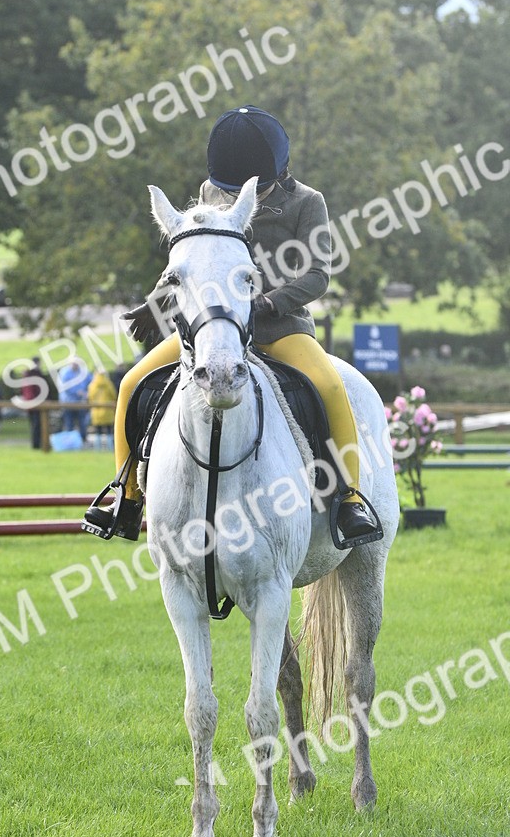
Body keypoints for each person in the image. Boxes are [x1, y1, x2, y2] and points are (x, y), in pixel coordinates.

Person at [83, 104, 382, 546]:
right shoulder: (211, 191)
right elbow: (192, 256)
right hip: (214, 327)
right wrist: (156, 302)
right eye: (230, 187)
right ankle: (126, 499)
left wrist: (270, 302)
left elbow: (319, 275)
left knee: (331, 385)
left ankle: (350, 498)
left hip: (279, 327)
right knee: (130, 383)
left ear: (280, 169)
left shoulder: (307, 202)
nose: (238, 193)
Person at [58, 358, 92, 440]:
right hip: (68, 403)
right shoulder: (65, 373)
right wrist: (78, 392)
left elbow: (91, 380)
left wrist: (89, 391)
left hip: (80, 402)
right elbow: (65, 387)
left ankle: (83, 439)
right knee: (69, 423)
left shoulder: (82, 372)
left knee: (82, 422)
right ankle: (70, 441)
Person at [87, 369, 118, 449]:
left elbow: (90, 397)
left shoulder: (92, 385)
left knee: (98, 431)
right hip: (108, 411)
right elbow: (113, 395)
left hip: (96, 411)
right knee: (109, 430)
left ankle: (97, 448)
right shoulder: (109, 384)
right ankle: (110, 448)